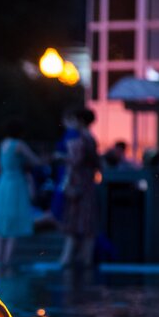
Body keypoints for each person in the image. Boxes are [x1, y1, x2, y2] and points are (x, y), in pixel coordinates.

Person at [0, 119, 43, 268]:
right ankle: (7, 263)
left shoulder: (3, 143)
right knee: (13, 225)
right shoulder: (19, 144)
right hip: (15, 184)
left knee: (1, 225)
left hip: (3, 183)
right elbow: (36, 161)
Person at [58, 108, 99, 268]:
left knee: (77, 226)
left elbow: (77, 161)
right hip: (85, 186)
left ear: (80, 121)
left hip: (80, 187)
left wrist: (62, 157)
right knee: (85, 226)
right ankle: (82, 260)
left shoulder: (83, 139)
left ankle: (69, 260)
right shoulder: (89, 138)